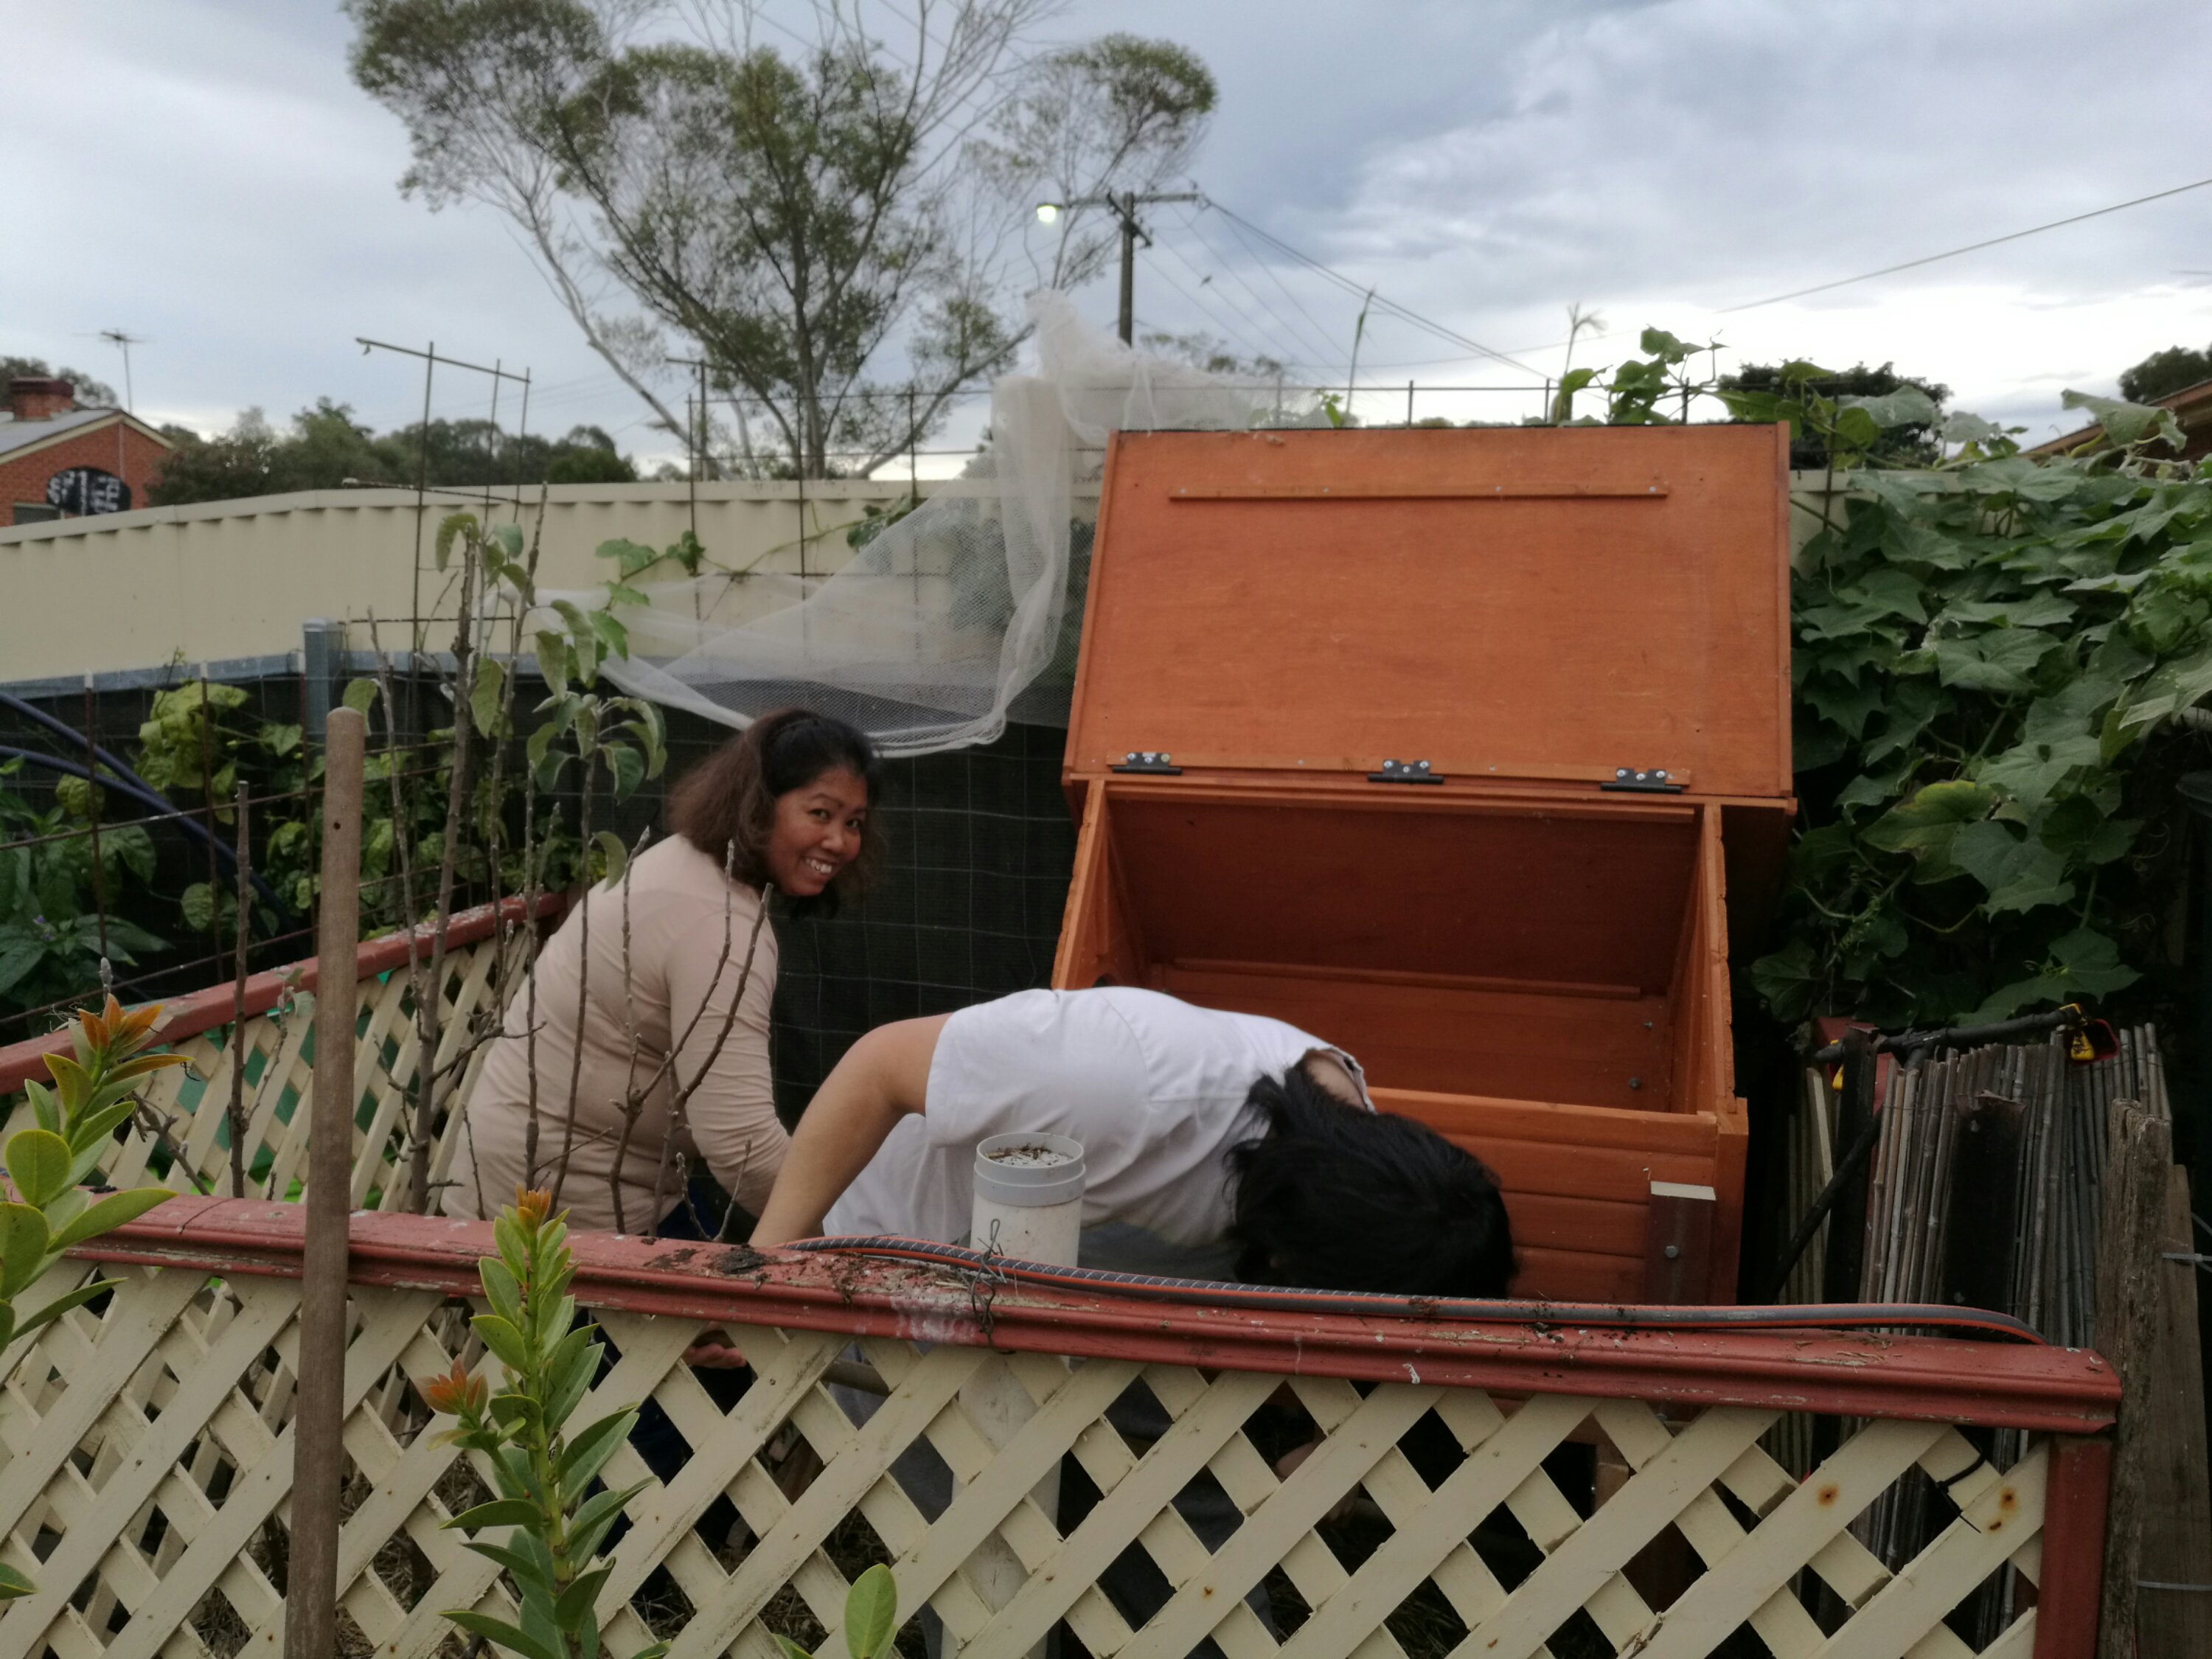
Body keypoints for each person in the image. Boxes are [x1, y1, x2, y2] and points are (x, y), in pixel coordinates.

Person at [748, 984, 1514, 1293]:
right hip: (903, 1258)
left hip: (1079, 1253)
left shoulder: (1356, 1150)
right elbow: (880, 1064)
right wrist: (765, 1273)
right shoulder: (1119, 1080)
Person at [445, 706, 883, 1237]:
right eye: (820, 813)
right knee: (717, 1311)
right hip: (560, 1198)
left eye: (853, 823)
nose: (839, 841)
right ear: (759, 806)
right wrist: (851, 1242)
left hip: (558, 1169)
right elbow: (740, 1144)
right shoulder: (716, 923)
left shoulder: (685, 865)